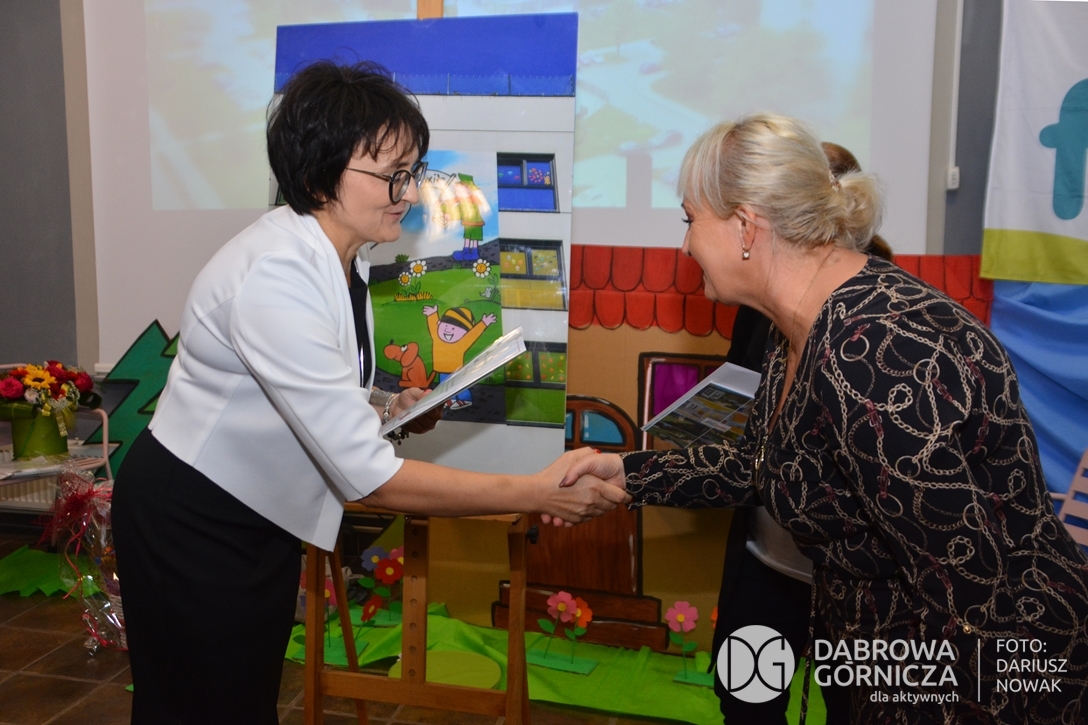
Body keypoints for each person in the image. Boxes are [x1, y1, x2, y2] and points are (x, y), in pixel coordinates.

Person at [111, 61, 629, 725]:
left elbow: (320, 390)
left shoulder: (345, 260)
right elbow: (369, 479)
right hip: (195, 521)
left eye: (411, 172)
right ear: (317, 176)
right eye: (391, 175)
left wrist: (387, 408)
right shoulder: (276, 275)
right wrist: (535, 492)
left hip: (254, 515)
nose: (406, 193)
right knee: (199, 706)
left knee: (240, 698)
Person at [555, 113, 1088, 723]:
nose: (686, 246)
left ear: (745, 226)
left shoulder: (879, 357)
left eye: (689, 220)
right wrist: (627, 473)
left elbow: (969, 599)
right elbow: (760, 465)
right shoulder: (802, 327)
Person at [711, 142, 892, 725]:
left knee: (855, 710)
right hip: (764, 562)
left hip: (855, 584)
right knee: (746, 705)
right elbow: (743, 390)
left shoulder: (886, 312)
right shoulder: (756, 301)